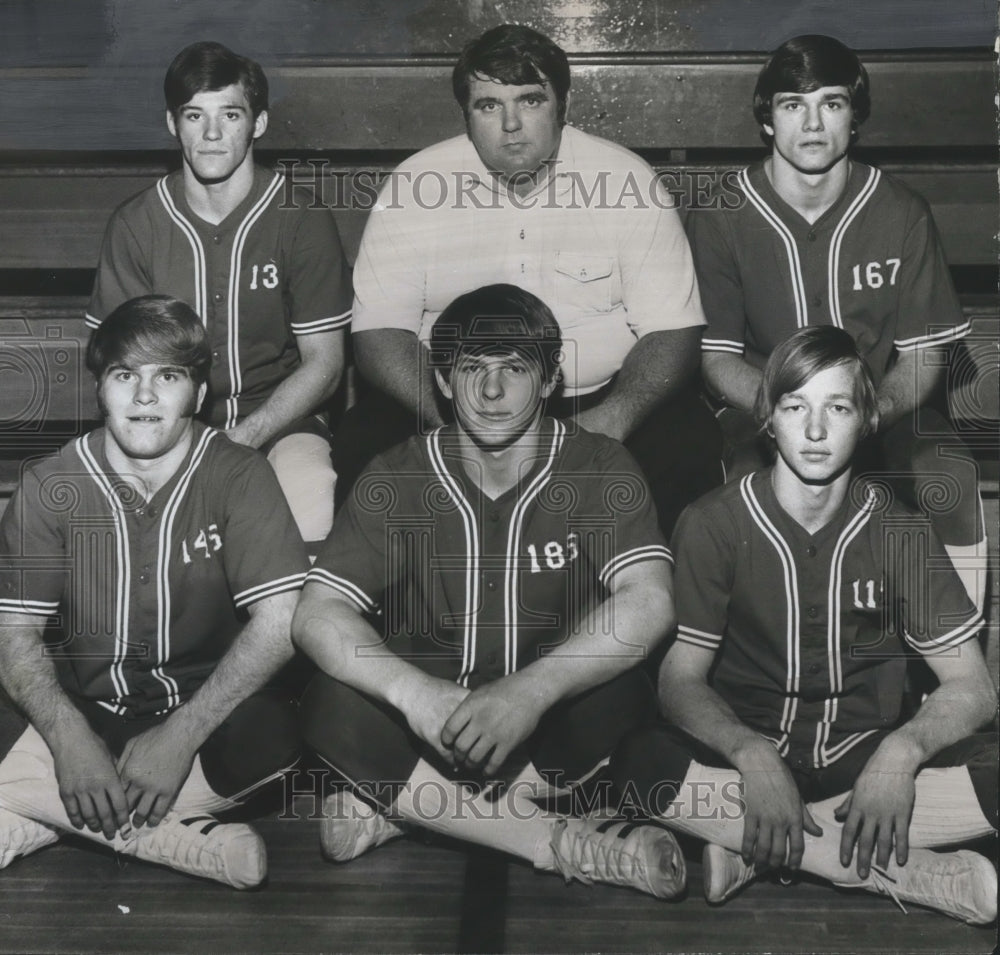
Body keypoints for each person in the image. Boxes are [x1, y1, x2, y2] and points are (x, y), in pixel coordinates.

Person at [294, 284, 685, 899]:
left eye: (514, 369)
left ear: (552, 378)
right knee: (326, 701)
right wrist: (413, 694)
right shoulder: (398, 474)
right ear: (443, 382)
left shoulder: (599, 465)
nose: (493, 391)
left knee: (629, 695)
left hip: (549, 723)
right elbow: (318, 612)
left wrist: (532, 691)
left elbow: (651, 599)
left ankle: (415, 808)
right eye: (471, 369)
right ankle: (556, 842)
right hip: (434, 718)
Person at [611, 326, 998, 924]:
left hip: (864, 762)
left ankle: (760, 850)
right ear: (767, 416)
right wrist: (750, 754)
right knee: (637, 759)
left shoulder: (902, 532)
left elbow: (973, 687)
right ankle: (904, 873)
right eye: (796, 406)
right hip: (745, 760)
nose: (815, 431)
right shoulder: (713, 522)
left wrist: (901, 753)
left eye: (836, 407)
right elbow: (678, 681)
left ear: (867, 417)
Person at [335, 23, 721, 534]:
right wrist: (453, 422)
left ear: (562, 105)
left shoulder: (627, 182)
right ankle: (391, 611)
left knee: (687, 442)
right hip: (453, 399)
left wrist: (607, 426)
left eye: (530, 101)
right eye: (489, 105)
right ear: (466, 115)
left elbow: (674, 330)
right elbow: (379, 334)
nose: (511, 123)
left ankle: (653, 605)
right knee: (365, 439)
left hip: (596, 398)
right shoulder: (413, 187)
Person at [0, 296, 308, 888]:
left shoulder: (239, 474)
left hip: (199, 716)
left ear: (197, 389)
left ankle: (35, 810)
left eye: (167, 376)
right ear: (100, 389)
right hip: (80, 707)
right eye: (124, 376)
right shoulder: (51, 482)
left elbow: (280, 623)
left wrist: (180, 736)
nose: (144, 397)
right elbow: (15, 633)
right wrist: (69, 741)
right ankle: (169, 840)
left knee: (281, 732)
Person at [688, 34, 987, 613]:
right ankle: (754, 669)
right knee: (736, 487)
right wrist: (790, 415)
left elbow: (923, 358)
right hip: (764, 413)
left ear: (856, 117)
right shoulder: (723, 214)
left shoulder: (901, 211)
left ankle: (957, 676)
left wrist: (864, 416)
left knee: (947, 475)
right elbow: (718, 359)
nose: (813, 123)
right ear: (767, 119)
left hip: (881, 410)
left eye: (832, 103)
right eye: (792, 104)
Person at [87, 41, 352, 552]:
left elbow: (325, 364)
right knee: (122, 533)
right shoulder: (136, 224)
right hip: (167, 423)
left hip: (279, 422)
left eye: (229, 114)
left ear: (258, 123)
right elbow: (119, 369)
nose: (211, 134)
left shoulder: (301, 217)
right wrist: (181, 443)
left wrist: (246, 437)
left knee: (310, 495)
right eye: (194, 115)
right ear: (172, 124)